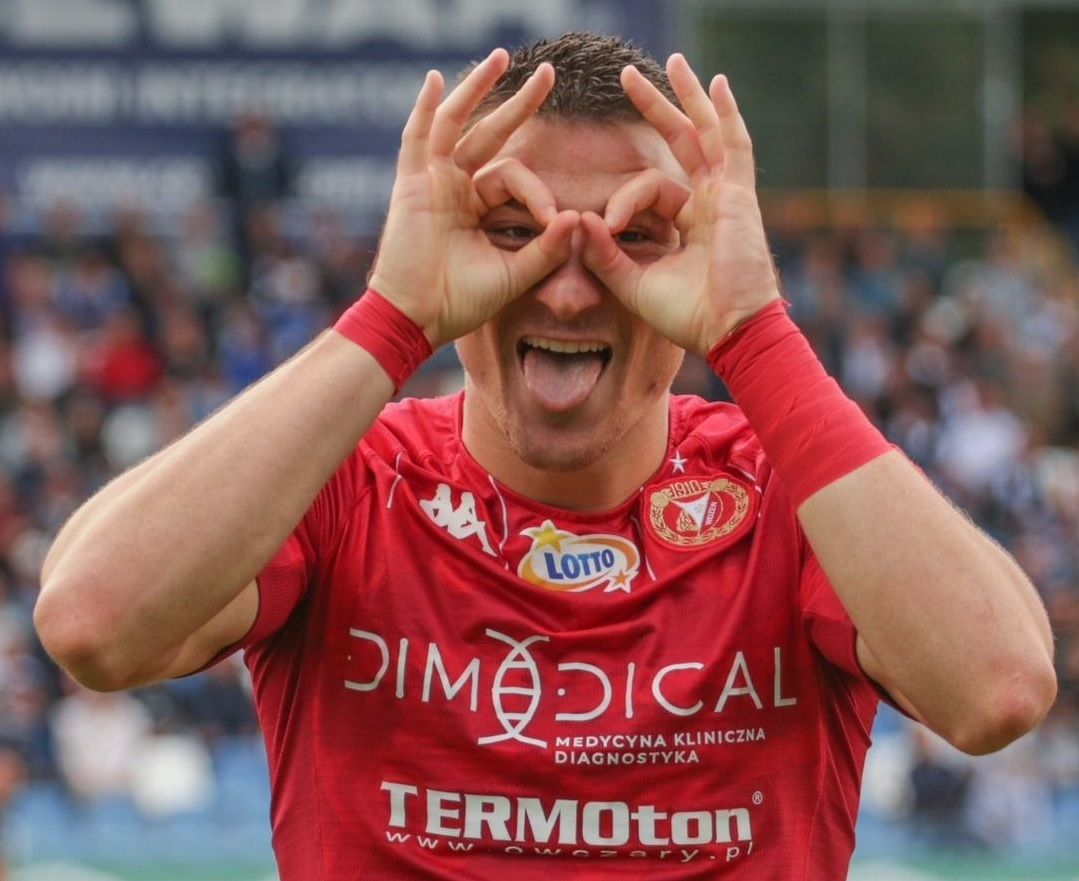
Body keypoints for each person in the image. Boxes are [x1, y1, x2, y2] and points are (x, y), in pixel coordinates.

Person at [33, 33, 1056, 879]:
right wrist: (392, 315)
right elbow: (94, 624)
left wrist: (751, 330)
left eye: (637, 236)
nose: (567, 287)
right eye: (510, 227)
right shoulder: (347, 479)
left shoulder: (794, 497)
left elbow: (996, 687)